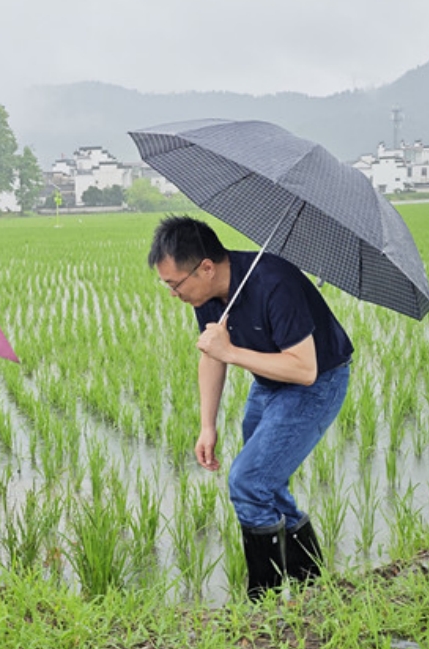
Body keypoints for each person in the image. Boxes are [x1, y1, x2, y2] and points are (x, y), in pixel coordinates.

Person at [149, 215, 353, 601]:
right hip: (269, 385)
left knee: (248, 481)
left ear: (205, 267)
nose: (174, 294)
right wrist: (207, 425)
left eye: (175, 284)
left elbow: (304, 369)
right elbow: (212, 355)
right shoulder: (207, 295)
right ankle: (313, 588)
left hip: (318, 384)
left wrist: (230, 351)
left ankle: (264, 603)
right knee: (265, 484)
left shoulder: (276, 283)